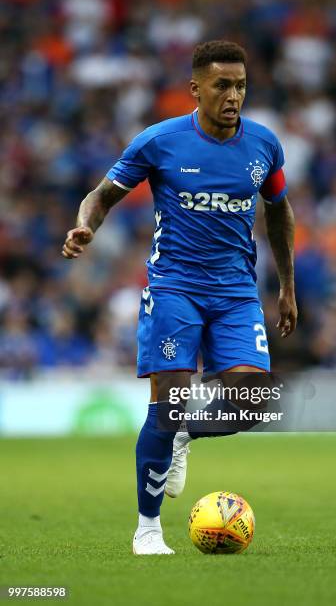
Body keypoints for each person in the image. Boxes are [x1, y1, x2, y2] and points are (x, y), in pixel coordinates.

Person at [62, 40, 297, 555]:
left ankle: (186, 432)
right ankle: (148, 529)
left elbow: (279, 210)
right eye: (221, 86)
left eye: (240, 85)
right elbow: (102, 196)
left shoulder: (264, 145)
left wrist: (286, 287)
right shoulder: (159, 142)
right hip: (174, 288)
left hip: (236, 293)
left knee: (257, 400)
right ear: (196, 89)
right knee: (164, 405)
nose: (233, 95)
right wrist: (85, 227)